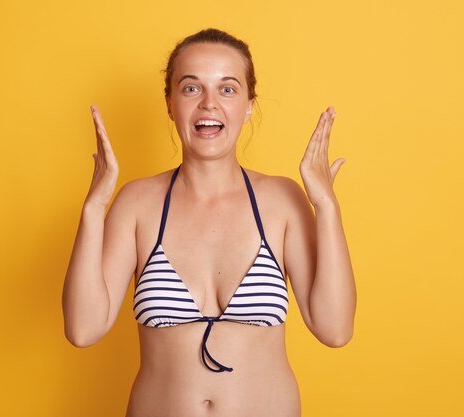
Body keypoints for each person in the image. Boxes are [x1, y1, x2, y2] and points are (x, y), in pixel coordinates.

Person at [62, 28, 356, 417]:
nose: (209, 105)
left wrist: (327, 207)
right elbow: (83, 329)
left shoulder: (282, 201)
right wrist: (94, 208)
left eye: (228, 89)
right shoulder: (137, 203)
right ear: (169, 103)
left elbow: (334, 329)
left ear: (250, 104)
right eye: (191, 88)